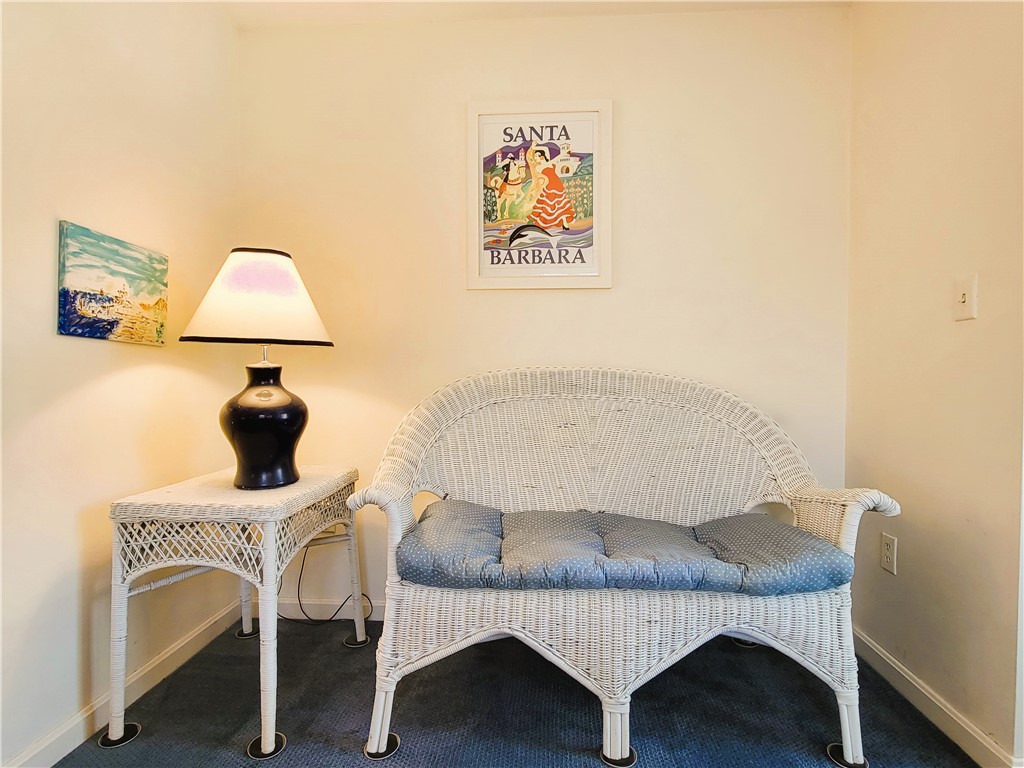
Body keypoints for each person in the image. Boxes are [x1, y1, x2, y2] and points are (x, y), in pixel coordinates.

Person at [525, 144, 576, 230]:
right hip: (550, 187)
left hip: (559, 186)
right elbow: (553, 160)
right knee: (551, 206)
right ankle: (563, 224)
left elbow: (545, 148)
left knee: (561, 205)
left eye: (536, 156)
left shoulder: (548, 162)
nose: (535, 159)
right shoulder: (539, 167)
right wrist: (562, 154)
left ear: (542, 156)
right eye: (534, 157)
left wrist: (534, 147)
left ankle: (564, 223)